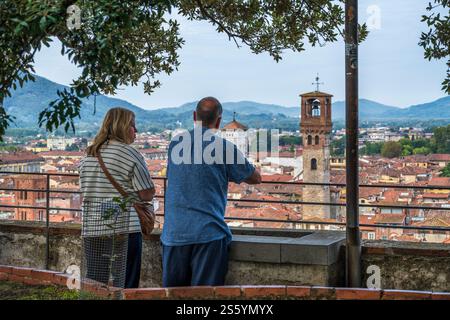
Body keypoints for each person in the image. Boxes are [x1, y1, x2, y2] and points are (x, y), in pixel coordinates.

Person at [161, 97, 261, 287]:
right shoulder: (224, 148)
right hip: (208, 234)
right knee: (205, 296)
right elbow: (255, 178)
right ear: (218, 121)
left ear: (194, 116)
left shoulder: (175, 144)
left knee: (172, 295)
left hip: (174, 233)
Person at [79, 107, 155, 288]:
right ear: (122, 126)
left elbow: (86, 190)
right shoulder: (130, 153)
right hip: (125, 228)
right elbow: (146, 193)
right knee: (126, 283)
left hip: (93, 226)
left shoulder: (89, 154)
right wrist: (133, 195)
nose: (135, 131)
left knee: (96, 282)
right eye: (132, 126)